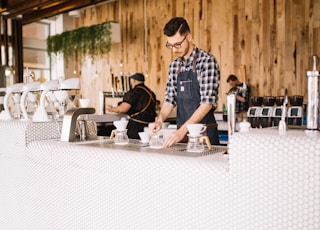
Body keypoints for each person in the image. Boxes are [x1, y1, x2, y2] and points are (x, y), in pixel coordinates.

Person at [149, 17, 221, 147]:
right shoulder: (174, 66)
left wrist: (183, 130)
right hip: (181, 135)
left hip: (204, 135)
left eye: (177, 44)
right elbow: (169, 99)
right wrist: (159, 120)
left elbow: (207, 103)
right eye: (170, 45)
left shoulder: (206, 61)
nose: (174, 50)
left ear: (189, 37)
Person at [106, 73, 157, 139]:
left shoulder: (134, 92)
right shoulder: (151, 93)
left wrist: (111, 108)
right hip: (150, 127)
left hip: (136, 127)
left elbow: (122, 109)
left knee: (133, 146)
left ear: (133, 81)